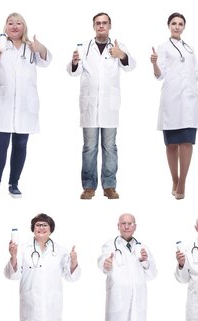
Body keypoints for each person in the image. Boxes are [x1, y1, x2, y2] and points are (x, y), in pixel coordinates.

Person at [150, 12, 198, 200]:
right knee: (172, 144)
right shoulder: (163, 47)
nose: (177, 26)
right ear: (168, 26)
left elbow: (197, 74)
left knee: (187, 143)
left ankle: (182, 182)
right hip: (171, 99)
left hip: (189, 101)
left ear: (184, 27)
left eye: (180, 24)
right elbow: (159, 75)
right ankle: (174, 179)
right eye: (173, 23)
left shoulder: (190, 48)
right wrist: (153, 64)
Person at [67, 12, 136, 200]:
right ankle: (88, 186)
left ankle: (110, 186)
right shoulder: (84, 47)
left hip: (109, 107)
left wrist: (121, 54)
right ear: (93, 26)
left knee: (110, 146)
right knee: (89, 147)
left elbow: (131, 66)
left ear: (110, 25)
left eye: (104, 23)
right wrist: (74, 62)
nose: (101, 26)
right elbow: (73, 72)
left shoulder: (118, 46)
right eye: (98, 23)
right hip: (89, 106)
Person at [0, 13, 51, 199]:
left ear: (24, 27)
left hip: (25, 105)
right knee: (0, 145)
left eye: (19, 23)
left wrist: (42, 48)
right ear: (5, 27)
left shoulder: (31, 47)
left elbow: (46, 61)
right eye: (10, 23)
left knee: (21, 145)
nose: (14, 26)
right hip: (3, 104)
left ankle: (14, 184)